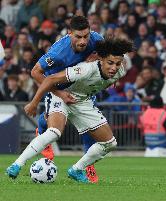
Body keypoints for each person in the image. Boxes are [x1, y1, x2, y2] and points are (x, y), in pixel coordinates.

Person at [6, 37, 135, 183]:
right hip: (62, 96)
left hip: (83, 102)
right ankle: (17, 164)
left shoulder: (120, 72)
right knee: (54, 132)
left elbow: (106, 80)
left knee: (110, 143)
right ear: (101, 59)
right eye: (110, 63)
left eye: (117, 64)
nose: (114, 68)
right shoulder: (85, 69)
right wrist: (34, 102)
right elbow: (50, 80)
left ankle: (76, 169)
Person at [28, 15, 103, 182]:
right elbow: (35, 72)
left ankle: (88, 165)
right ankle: (41, 131)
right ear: (70, 34)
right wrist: (59, 93)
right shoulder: (58, 52)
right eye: (78, 37)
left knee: (89, 127)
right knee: (51, 123)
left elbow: (107, 57)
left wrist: (99, 59)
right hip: (57, 86)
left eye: (86, 36)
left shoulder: (97, 39)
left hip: (82, 88)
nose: (83, 41)